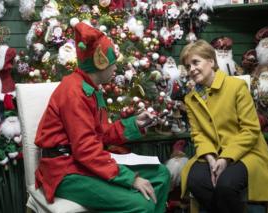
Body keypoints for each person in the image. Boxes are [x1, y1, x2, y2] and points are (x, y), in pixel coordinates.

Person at [34, 22, 170, 213]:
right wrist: (131, 178)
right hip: (65, 171)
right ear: (100, 62)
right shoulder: (74, 92)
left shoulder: (91, 90)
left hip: (83, 163)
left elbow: (100, 135)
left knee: (161, 174)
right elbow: (86, 150)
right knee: (141, 204)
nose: (116, 67)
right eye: (112, 61)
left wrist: (134, 124)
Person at [179, 39, 268, 213]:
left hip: (246, 153)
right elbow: (198, 134)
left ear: (211, 61)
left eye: (195, 62)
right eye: (188, 66)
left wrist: (225, 159)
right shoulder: (190, 99)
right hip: (212, 152)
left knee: (226, 185)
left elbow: (250, 130)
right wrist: (211, 158)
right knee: (194, 180)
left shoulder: (236, 86)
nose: (192, 69)